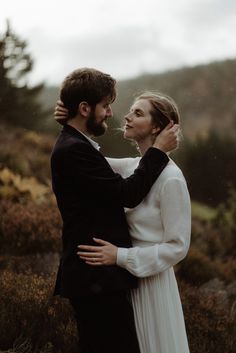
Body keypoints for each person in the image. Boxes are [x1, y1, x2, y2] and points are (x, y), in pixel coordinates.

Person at [51, 68, 179, 353]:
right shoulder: (73, 149)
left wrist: (69, 117)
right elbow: (127, 193)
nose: (111, 113)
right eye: (106, 105)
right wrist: (158, 151)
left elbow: (123, 169)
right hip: (95, 277)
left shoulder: (77, 145)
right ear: (85, 108)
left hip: (102, 278)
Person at [75, 92, 191, 353]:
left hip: (152, 286)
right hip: (123, 283)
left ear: (158, 127)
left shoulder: (172, 179)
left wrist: (120, 256)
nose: (126, 117)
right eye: (130, 111)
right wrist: (70, 121)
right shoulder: (133, 168)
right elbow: (84, 159)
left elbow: (178, 247)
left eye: (138, 113)